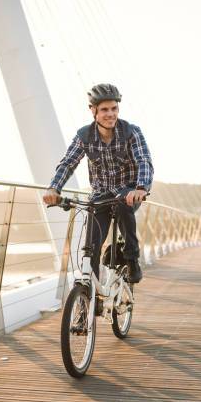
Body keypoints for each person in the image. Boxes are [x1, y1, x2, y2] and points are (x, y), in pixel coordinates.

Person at [43, 83, 153, 285]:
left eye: (114, 109)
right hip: (100, 196)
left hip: (127, 191)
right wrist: (54, 188)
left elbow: (143, 161)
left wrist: (140, 188)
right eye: (104, 110)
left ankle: (131, 258)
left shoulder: (131, 132)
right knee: (91, 247)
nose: (110, 114)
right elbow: (68, 163)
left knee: (123, 205)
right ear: (93, 110)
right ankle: (89, 295)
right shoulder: (84, 136)